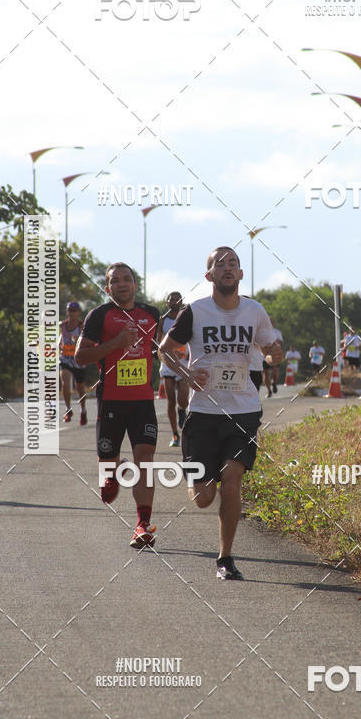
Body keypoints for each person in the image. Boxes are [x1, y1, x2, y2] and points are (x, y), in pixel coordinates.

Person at [159, 246, 282, 580]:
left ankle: (225, 558)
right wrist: (186, 375)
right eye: (220, 264)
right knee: (203, 497)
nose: (227, 268)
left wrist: (274, 355)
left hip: (243, 410)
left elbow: (271, 354)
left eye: (233, 264)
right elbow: (164, 351)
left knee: (232, 479)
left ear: (241, 274)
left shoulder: (255, 311)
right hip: (203, 410)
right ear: (209, 275)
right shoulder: (195, 312)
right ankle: (197, 476)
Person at [75, 263, 160, 549]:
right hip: (111, 400)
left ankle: (142, 524)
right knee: (108, 489)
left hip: (143, 402)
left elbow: (164, 350)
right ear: (108, 287)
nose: (122, 284)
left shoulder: (152, 315)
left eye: (127, 279)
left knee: (146, 460)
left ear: (135, 284)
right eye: (115, 281)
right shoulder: (99, 316)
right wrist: (116, 343)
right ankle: (114, 469)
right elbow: (81, 357)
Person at [159, 291, 189, 447]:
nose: (175, 302)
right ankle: (175, 434)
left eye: (178, 299)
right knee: (170, 400)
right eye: (172, 299)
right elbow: (158, 343)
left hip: (183, 362)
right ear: (167, 303)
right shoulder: (162, 320)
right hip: (168, 364)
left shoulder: (186, 316)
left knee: (183, 399)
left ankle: (182, 410)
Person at [59, 301, 88, 425]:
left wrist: (78, 341)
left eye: (74, 310)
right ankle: (68, 409)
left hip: (78, 360)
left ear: (79, 312)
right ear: (67, 312)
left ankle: (83, 410)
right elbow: (61, 337)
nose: (72, 313)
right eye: (70, 310)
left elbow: (87, 341)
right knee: (65, 381)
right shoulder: (62, 325)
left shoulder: (82, 326)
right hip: (65, 358)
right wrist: (59, 345)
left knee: (80, 387)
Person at [263, 317, 283, 397]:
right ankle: (268, 390)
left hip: (275, 355)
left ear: (274, 323)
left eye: (272, 322)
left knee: (275, 371)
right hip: (264, 355)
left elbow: (281, 342)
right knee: (266, 373)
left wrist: (276, 342)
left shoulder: (277, 332)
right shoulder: (262, 332)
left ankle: (274, 382)